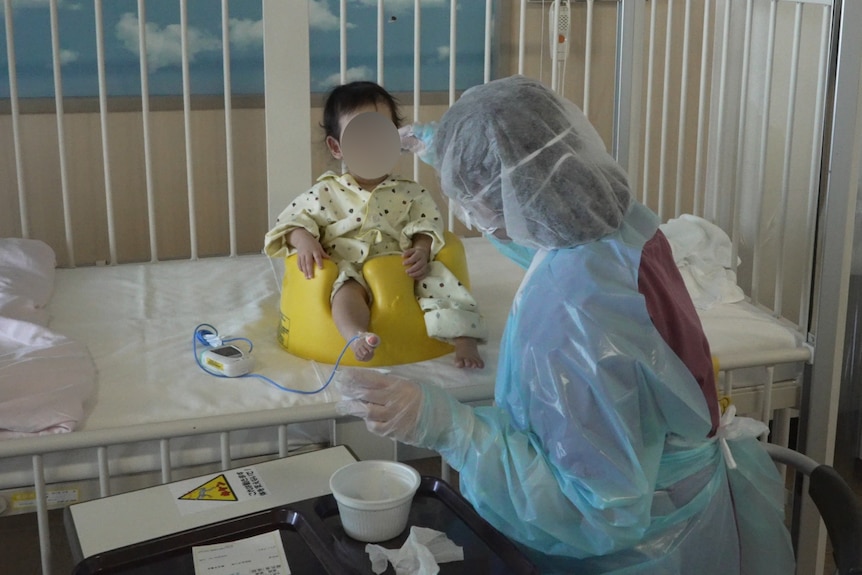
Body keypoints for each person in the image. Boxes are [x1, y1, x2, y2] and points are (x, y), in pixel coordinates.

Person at [336, 76, 795, 574]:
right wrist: (438, 143)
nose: (466, 213)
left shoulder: (571, 320)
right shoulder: (618, 227)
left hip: (642, 553)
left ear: (505, 192)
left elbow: (595, 513)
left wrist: (450, 427)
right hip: (693, 510)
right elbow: (543, 228)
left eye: (467, 193)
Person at [264, 81, 487, 368]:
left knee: (442, 283)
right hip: (350, 268)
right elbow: (292, 222)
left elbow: (427, 226)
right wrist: (303, 240)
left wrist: (421, 250)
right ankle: (356, 336)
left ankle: (464, 339)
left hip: (404, 268)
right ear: (337, 146)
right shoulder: (324, 193)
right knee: (344, 294)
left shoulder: (411, 191)